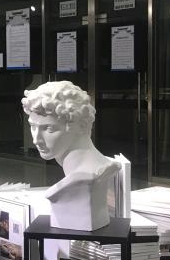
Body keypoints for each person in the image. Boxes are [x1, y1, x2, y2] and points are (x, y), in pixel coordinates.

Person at [22, 81, 120, 230]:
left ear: (81, 126)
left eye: (49, 129)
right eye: (33, 126)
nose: (36, 140)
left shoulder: (85, 178)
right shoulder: (101, 166)